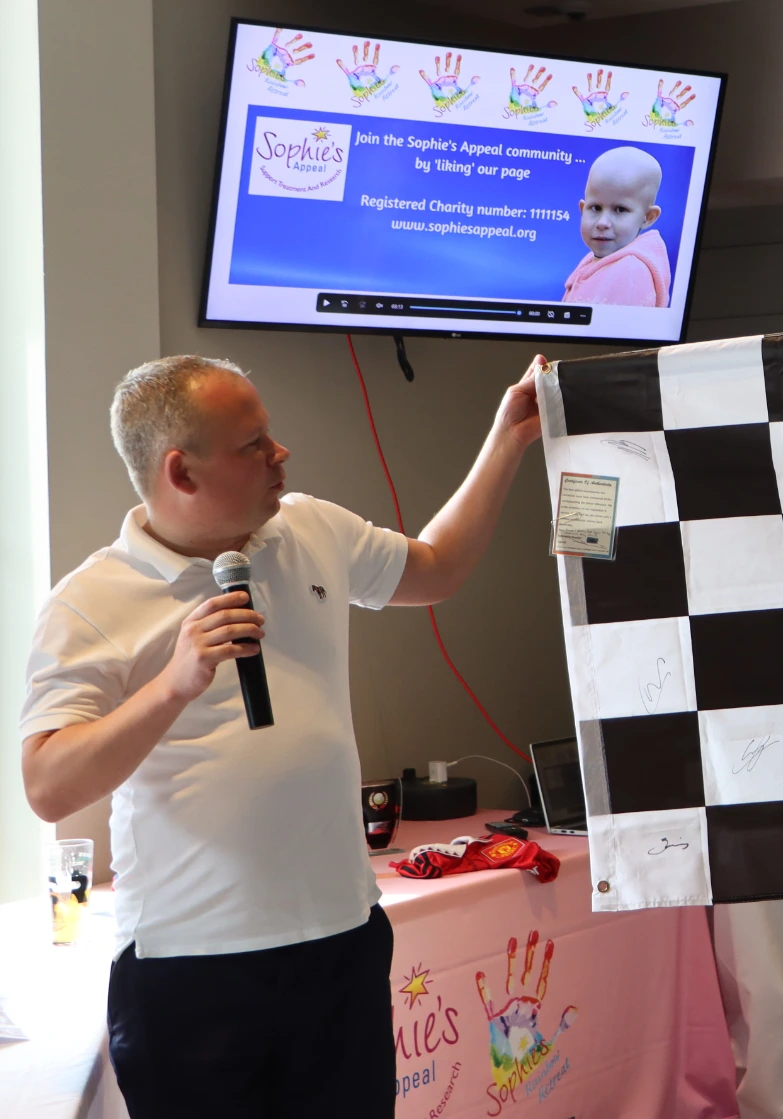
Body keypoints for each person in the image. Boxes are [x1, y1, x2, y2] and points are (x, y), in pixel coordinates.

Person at [19, 353, 543, 1117]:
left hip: (341, 943)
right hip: (191, 968)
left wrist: (506, 439)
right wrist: (174, 682)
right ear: (182, 472)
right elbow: (47, 784)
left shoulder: (311, 528)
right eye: (253, 443)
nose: (281, 454)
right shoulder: (90, 602)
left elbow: (436, 569)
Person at [561, 145, 672, 308]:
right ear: (582, 209)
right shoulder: (599, 260)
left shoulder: (630, 271)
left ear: (648, 217)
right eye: (596, 208)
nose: (602, 223)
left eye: (620, 209)